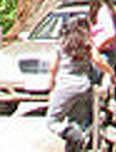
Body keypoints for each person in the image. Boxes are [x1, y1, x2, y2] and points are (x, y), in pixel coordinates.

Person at [46, 16, 112, 150]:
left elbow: (53, 68)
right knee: (76, 122)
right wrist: (111, 73)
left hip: (65, 87)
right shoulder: (86, 45)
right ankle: (78, 142)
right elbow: (98, 61)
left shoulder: (61, 45)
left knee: (52, 121)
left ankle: (76, 136)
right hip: (84, 87)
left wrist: (51, 85)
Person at [88, 0, 116, 72]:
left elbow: (111, 33)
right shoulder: (100, 11)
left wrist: (98, 46)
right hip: (101, 52)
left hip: (104, 53)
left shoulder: (103, 12)